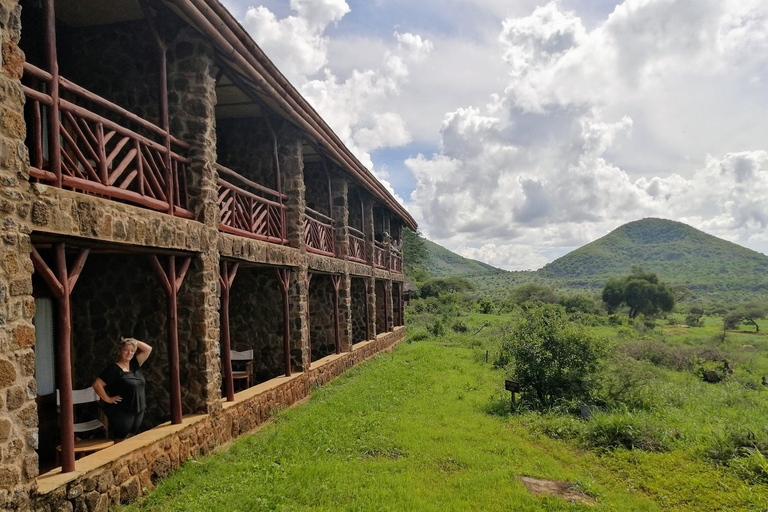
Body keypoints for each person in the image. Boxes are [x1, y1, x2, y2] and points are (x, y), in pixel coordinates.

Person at [93, 337, 152, 439]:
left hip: (138, 408)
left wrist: (133, 341)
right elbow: (97, 385)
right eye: (126, 350)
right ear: (119, 351)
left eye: (132, 351)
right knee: (121, 438)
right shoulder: (113, 369)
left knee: (131, 437)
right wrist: (107, 399)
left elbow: (148, 349)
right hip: (121, 411)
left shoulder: (135, 364)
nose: (129, 353)